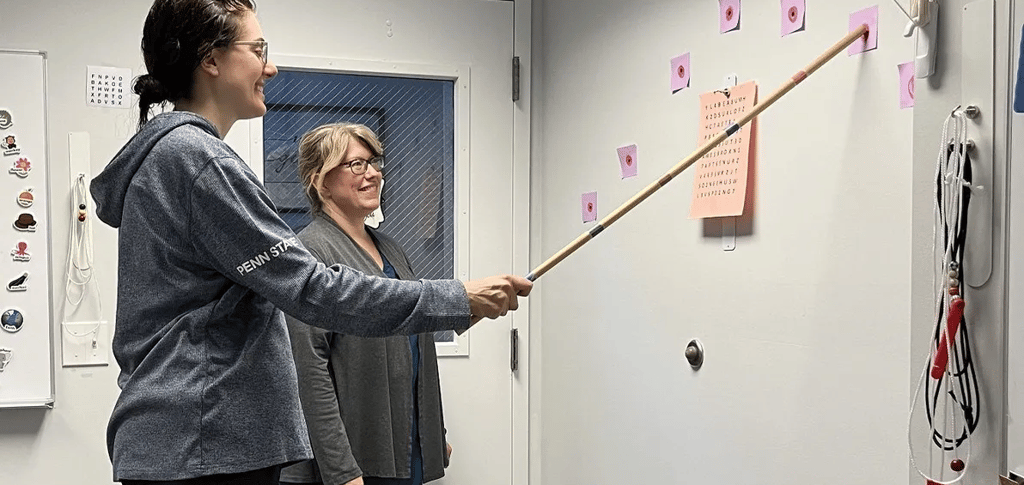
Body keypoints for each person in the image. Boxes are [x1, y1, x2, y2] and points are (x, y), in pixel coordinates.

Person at [88, 1, 532, 484]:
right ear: (210, 59)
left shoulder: (179, 159)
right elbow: (315, 291)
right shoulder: (197, 161)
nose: (270, 67)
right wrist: (457, 297)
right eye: (258, 50)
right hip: (203, 440)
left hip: (195, 440)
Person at [278, 124, 451, 485]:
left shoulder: (391, 249)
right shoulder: (310, 255)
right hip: (355, 460)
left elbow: (416, 346)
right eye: (356, 165)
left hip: (407, 444)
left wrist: (434, 431)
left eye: (374, 162)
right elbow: (308, 373)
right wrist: (342, 470)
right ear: (320, 181)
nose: (373, 173)